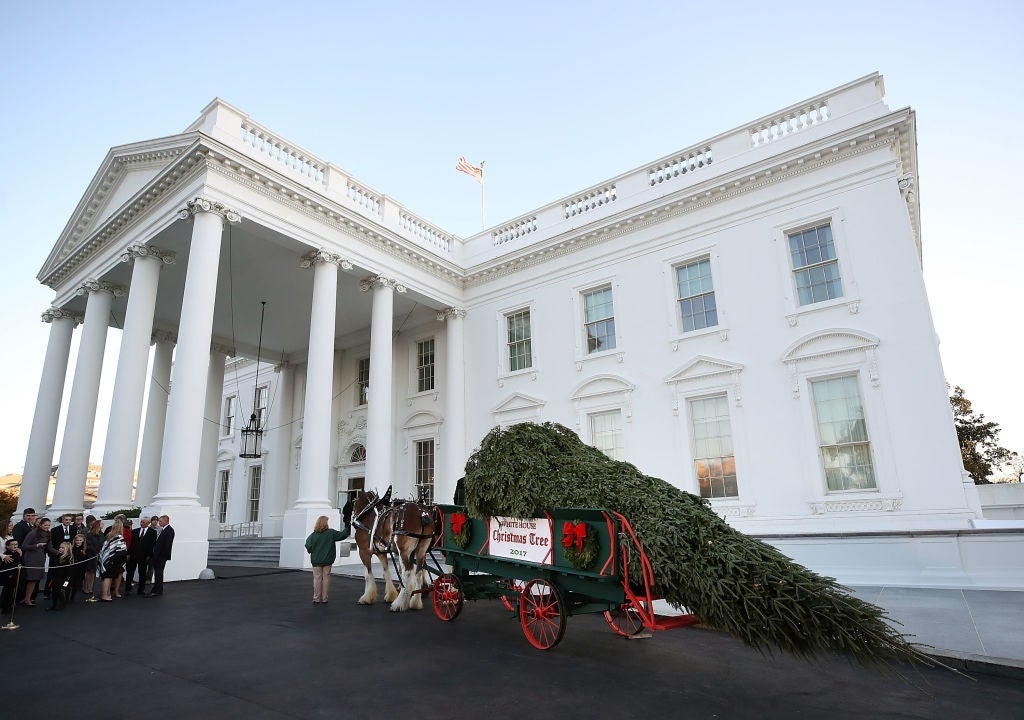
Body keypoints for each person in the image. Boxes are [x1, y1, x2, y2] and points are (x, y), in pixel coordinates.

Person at [304, 515, 350, 604]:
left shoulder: (313, 535)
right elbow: (343, 535)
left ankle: (316, 598)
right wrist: (348, 527)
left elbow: (308, 546)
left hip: (316, 561)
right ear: (326, 523)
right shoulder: (331, 533)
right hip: (328, 560)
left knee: (317, 579)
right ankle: (324, 598)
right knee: (326, 578)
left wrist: (313, 550)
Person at [20, 517, 54, 607]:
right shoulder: (33, 533)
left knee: (34, 580)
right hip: (31, 559)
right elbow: (23, 546)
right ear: (40, 525)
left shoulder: (48, 534)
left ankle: (27, 598)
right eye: (45, 525)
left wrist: (61, 552)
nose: (47, 527)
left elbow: (50, 548)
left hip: (40, 559)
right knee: (30, 579)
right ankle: (25, 599)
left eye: (49, 525)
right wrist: (37, 545)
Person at [97, 519, 128, 602]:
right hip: (112, 561)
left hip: (106, 560)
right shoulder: (119, 537)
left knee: (108, 577)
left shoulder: (109, 536)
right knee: (108, 577)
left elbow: (105, 549)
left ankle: (107, 594)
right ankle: (104, 595)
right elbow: (121, 552)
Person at [126, 516, 156, 595]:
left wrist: (149, 555)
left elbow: (152, 545)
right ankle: (127, 589)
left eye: (143, 522)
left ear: (148, 523)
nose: (141, 523)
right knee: (130, 573)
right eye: (141, 522)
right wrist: (128, 553)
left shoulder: (152, 532)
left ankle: (141, 590)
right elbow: (130, 543)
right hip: (133, 555)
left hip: (144, 556)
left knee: (142, 573)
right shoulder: (135, 531)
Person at [146, 515, 174, 597]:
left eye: (161, 521)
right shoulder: (164, 530)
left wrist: (160, 556)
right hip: (158, 556)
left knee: (159, 573)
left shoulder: (169, 530)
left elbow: (167, 546)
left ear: (166, 521)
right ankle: (156, 589)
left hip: (161, 557)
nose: (159, 522)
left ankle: (157, 591)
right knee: (158, 574)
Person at [47, 542, 73, 611]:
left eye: (62, 548)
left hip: (64, 578)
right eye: (60, 547)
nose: (60, 549)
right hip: (56, 577)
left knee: (60, 591)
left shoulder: (68, 558)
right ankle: (54, 605)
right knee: (54, 591)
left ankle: (63, 603)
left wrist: (67, 581)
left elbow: (69, 572)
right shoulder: (58, 555)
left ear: (67, 549)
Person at [82, 519, 104, 600]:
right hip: (91, 555)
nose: (103, 525)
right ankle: (86, 588)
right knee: (89, 571)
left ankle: (91, 588)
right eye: (102, 524)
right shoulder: (90, 534)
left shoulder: (102, 534)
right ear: (98, 525)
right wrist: (95, 552)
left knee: (94, 572)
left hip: (98, 555)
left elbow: (103, 543)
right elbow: (88, 545)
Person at [1, 538, 24, 614]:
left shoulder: (18, 553)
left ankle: (13, 603)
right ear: (7, 546)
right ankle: (5, 607)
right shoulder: (7, 555)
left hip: (18, 575)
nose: (15, 546)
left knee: (17, 590)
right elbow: (5, 566)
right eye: (12, 544)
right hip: (9, 577)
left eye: (16, 544)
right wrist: (10, 575)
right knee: (7, 592)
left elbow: (21, 563)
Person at [68, 533, 88, 603]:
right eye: (77, 540)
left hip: (79, 570)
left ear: (83, 541)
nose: (78, 542)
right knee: (68, 584)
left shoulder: (85, 549)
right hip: (71, 570)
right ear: (74, 541)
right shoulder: (71, 548)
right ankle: (66, 596)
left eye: (80, 540)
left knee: (76, 585)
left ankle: (72, 598)